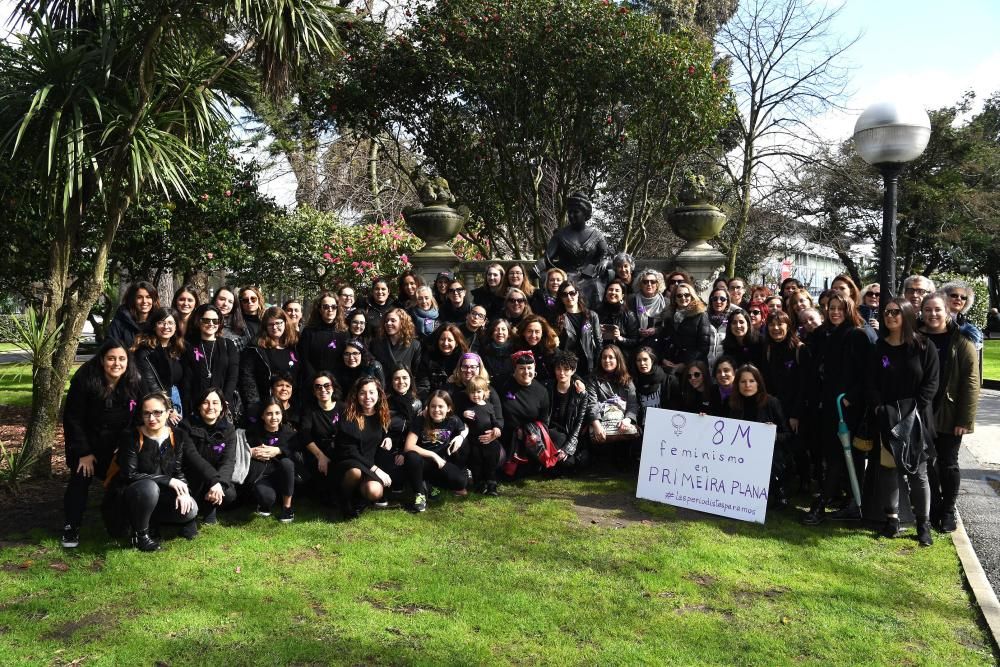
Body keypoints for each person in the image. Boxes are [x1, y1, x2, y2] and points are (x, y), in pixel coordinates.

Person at [867, 298, 939, 545]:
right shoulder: (880, 347)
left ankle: (923, 524)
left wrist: (913, 411)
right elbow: (872, 382)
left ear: (907, 315)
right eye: (887, 312)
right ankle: (893, 520)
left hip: (916, 419)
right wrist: (879, 407)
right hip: (888, 418)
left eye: (896, 312)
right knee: (889, 469)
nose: (890, 316)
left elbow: (931, 383)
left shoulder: (923, 346)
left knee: (918, 473)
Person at [60, 339, 141, 548]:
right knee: (81, 477)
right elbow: (73, 418)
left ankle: (123, 522)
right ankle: (71, 527)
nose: (117, 363)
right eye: (111, 358)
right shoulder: (86, 379)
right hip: (87, 445)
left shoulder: (133, 379)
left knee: (125, 480)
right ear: (102, 360)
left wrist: (125, 446)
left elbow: (139, 416)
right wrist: (83, 452)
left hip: (118, 445)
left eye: (122, 359)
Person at [802, 293, 874, 525]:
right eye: (831, 308)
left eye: (839, 308)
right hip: (825, 404)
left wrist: (850, 398)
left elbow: (865, 374)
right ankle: (846, 501)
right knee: (832, 456)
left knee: (840, 455)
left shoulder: (856, 335)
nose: (834, 312)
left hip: (846, 407)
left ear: (848, 310)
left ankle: (824, 505)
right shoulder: (823, 334)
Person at [920, 293, 980, 532]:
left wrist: (964, 419)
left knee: (948, 463)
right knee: (925, 463)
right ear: (922, 312)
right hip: (922, 412)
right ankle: (934, 507)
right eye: (928, 310)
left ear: (946, 312)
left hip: (949, 412)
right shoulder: (916, 337)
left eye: (937, 310)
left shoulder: (961, 340)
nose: (933, 314)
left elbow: (971, 382)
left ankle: (948, 511)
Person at [119, 392, 200, 551]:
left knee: (191, 509)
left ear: (168, 413)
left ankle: (156, 521)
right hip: (135, 494)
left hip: (162, 495)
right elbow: (129, 474)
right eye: (147, 413)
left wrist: (184, 492)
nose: (151, 418)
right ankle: (141, 536)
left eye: (157, 412)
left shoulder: (177, 435)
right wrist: (168, 480)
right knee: (149, 487)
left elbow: (177, 471)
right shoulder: (131, 436)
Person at [726, 365, 791, 509]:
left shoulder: (772, 403)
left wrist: (773, 435)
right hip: (740, 456)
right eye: (743, 382)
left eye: (751, 381)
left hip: (768, 457)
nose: (747, 385)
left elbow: (787, 435)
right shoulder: (733, 404)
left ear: (759, 383)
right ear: (737, 385)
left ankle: (778, 490)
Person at [761, 311, 811, 491]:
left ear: (788, 326)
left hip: (796, 408)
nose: (775, 328)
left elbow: (805, 386)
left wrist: (796, 414)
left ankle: (805, 480)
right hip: (776, 407)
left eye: (779, 324)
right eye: (772, 325)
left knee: (799, 447)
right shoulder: (768, 349)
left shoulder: (800, 349)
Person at [333, 376, 394, 519]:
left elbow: (387, 431)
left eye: (372, 392)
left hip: (368, 464)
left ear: (379, 394)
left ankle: (360, 499)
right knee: (355, 472)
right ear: (356, 395)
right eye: (363, 393)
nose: (368, 397)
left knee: (375, 492)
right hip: (348, 462)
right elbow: (351, 451)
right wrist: (376, 469)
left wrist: (388, 437)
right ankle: (344, 500)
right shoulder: (348, 416)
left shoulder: (381, 415)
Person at [535, 192, 610, 305]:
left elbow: (606, 254)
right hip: (566, 275)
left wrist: (604, 261)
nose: (571, 215)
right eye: (569, 212)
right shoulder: (560, 235)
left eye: (575, 212)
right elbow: (547, 258)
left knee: (596, 287)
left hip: (589, 277)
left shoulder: (597, 235)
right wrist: (539, 265)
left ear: (585, 214)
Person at [178, 387, 238, 525]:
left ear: (222, 406)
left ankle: (210, 506)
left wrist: (220, 484)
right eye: (205, 402)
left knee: (229, 494)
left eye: (215, 403)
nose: (211, 407)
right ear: (199, 406)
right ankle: (195, 509)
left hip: (214, 480)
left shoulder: (229, 430)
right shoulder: (185, 427)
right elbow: (192, 457)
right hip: (191, 478)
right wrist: (214, 481)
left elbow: (228, 461)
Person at [403, 390, 471, 511]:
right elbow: (408, 446)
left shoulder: (453, 420)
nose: (436, 410)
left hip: (442, 463)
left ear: (448, 408)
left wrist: (460, 437)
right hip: (423, 462)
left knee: (461, 483)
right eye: (433, 406)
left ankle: (429, 484)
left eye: (441, 406)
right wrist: (433, 455)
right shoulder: (421, 420)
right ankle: (420, 494)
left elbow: (465, 428)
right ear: (428, 407)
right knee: (411, 456)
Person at [240, 306, 300, 421]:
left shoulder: (295, 345)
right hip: (267, 408)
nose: (275, 327)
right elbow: (247, 379)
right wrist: (254, 406)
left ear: (285, 323)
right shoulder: (256, 348)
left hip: (292, 406)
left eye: (278, 323)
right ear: (265, 327)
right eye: (270, 324)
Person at [244, 399, 296, 523]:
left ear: (282, 415)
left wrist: (278, 450)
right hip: (262, 476)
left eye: (277, 413)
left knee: (287, 463)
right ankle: (264, 503)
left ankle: (287, 507)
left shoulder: (289, 432)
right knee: (267, 499)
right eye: (269, 413)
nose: (274, 417)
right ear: (262, 415)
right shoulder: (252, 432)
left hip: (283, 476)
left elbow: (296, 451)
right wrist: (250, 452)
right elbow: (239, 451)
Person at [182, 304, 239, 417]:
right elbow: (186, 379)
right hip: (196, 406)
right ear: (199, 321)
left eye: (215, 321)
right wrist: (188, 405)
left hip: (222, 405)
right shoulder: (189, 345)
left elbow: (233, 376)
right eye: (206, 320)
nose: (211, 324)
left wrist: (224, 400)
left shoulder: (228, 345)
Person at [132, 307, 185, 425]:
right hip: (157, 405)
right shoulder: (145, 351)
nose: (166, 327)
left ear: (176, 327)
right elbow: (150, 384)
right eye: (161, 322)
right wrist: (168, 408)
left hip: (177, 400)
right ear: (154, 326)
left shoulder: (177, 349)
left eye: (170, 323)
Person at [499, 351, 551, 471]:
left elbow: (544, 421)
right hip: (506, 435)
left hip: (531, 436)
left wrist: (531, 433)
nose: (526, 372)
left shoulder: (542, 391)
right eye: (522, 368)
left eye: (529, 368)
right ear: (514, 370)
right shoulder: (502, 384)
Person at [587, 345, 640, 462]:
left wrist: (627, 420)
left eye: (611, 357)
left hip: (621, 424)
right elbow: (592, 404)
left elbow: (633, 405)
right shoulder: (593, 379)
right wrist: (596, 425)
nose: (607, 360)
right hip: (602, 423)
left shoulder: (628, 380)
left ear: (618, 359)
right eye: (604, 357)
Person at [297, 372, 341, 498]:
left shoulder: (344, 408)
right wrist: (321, 456)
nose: (323, 389)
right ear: (314, 391)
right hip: (317, 453)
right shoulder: (309, 410)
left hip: (340, 452)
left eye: (327, 385)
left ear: (333, 388)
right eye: (318, 387)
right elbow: (305, 435)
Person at [546, 351, 591, 472]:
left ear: (573, 370)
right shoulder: (548, 388)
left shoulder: (581, 394)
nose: (561, 373)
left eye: (566, 369)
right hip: (551, 434)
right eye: (558, 369)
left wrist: (567, 448)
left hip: (569, 434)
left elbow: (578, 424)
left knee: (571, 463)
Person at [460, 377, 503, 494]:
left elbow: (495, 420)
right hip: (474, 442)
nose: (475, 395)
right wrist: (463, 414)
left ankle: (492, 484)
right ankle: (479, 484)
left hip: (489, 442)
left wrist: (496, 428)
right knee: (476, 464)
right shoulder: (468, 407)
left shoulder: (489, 406)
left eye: (478, 391)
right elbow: (459, 419)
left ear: (485, 392)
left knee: (490, 463)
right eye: (472, 392)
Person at [661, 281, 712, 370]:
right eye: (679, 295)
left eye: (687, 295)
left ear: (692, 296)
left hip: (694, 366)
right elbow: (664, 340)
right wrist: (663, 359)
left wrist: (685, 364)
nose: (683, 298)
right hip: (672, 364)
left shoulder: (701, 315)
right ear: (674, 298)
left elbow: (703, 347)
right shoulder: (669, 316)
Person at [556, 281, 602, 378]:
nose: (569, 297)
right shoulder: (558, 318)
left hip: (589, 363)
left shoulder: (591, 315)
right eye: (565, 295)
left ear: (578, 293)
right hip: (567, 366)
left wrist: (597, 365)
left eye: (572, 293)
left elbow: (598, 342)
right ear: (561, 298)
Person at [299, 291, 346, 384]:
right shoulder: (309, 331)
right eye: (325, 307)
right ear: (320, 309)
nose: (330, 310)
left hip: (336, 382)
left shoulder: (343, 333)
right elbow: (304, 358)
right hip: (313, 382)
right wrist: (316, 379)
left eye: (333, 307)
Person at [416, 324, 468, 399]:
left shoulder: (464, 360)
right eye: (442, 339)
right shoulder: (429, 357)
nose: (445, 343)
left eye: (450, 340)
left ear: (456, 343)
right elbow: (423, 385)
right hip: (433, 399)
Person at [634, 347, 678, 427]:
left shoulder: (669, 380)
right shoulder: (635, 382)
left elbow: (678, 407)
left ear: (652, 360)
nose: (642, 363)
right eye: (638, 360)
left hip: (665, 427)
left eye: (645, 359)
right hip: (643, 429)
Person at [108, 281, 160, 349]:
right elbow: (110, 347)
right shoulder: (119, 323)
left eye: (148, 297)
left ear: (154, 300)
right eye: (139, 297)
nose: (144, 301)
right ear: (132, 300)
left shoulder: (159, 322)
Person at [595, 280, 640, 360]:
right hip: (600, 356)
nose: (613, 292)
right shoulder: (596, 312)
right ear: (606, 293)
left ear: (622, 295)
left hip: (621, 357)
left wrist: (620, 338)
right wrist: (596, 332)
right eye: (610, 289)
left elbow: (635, 341)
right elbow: (586, 332)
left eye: (617, 290)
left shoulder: (629, 315)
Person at [371, 308, 422, 376]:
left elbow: (417, 373)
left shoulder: (414, 345)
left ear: (403, 322)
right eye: (386, 321)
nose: (388, 323)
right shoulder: (376, 344)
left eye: (393, 320)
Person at [513, 314, 560, 386]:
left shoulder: (551, 350)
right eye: (529, 331)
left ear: (542, 333)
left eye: (537, 332)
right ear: (523, 332)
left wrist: (576, 379)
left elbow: (565, 367)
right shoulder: (516, 349)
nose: (533, 335)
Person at [940, 280, 983, 350]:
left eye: (963, 298)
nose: (958, 299)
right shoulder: (935, 318)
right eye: (954, 295)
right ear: (944, 297)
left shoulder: (969, 327)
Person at [630, 269, 667, 348]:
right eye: (645, 282)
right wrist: (637, 331)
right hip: (637, 342)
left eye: (653, 281)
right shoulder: (631, 300)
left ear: (658, 284)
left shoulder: (666, 302)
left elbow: (668, 326)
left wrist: (656, 330)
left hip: (659, 343)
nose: (649, 284)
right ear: (640, 284)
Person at [706, 288, 735, 369]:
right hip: (705, 368)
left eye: (722, 299)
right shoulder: (703, 318)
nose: (718, 302)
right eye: (715, 299)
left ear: (728, 302)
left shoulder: (732, 320)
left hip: (724, 370)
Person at [214, 287, 251, 351]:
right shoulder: (204, 322)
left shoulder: (240, 325)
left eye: (230, 302)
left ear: (234, 305)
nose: (225, 304)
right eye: (222, 299)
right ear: (215, 300)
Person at [481, 318, 514, 388]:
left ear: (509, 334)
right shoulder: (484, 351)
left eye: (503, 329)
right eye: (496, 329)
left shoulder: (515, 351)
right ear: (492, 334)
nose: (500, 332)